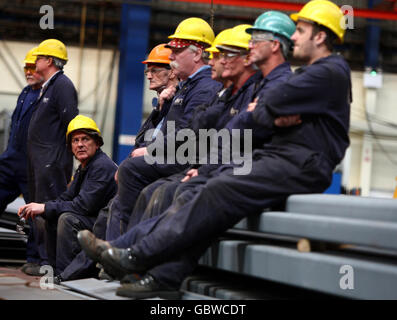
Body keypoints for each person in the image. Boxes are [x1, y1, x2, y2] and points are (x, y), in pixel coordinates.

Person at [80, 0, 351, 299]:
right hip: (279, 157)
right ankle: (152, 269)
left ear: (321, 36)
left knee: (213, 191)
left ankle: (136, 256)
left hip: (302, 163)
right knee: (199, 190)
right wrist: (265, 113)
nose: (295, 37)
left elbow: (260, 115)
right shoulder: (302, 77)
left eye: (300, 30)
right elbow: (247, 120)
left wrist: (264, 111)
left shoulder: (328, 71)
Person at [106, 17, 222, 237]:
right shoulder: (187, 87)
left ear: (197, 53)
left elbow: (189, 133)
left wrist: (151, 151)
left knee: (131, 171)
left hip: (183, 159)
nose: (171, 57)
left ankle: (126, 245)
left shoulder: (204, 87)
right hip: (174, 155)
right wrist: (162, 106)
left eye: (177, 51)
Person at [18, 115, 117, 280]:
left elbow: (83, 206)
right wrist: (41, 207)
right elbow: (66, 197)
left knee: (67, 218)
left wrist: (46, 207)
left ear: (97, 142)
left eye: (85, 139)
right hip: (94, 218)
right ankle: (54, 269)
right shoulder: (85, 167)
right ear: (70, 147)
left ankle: (67, 276)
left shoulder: (101, 166)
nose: (80, 145)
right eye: (75, 140)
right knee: (48, 215)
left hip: (107, 227)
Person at [24, 39, 79, 275]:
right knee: (39, 212)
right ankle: (45, 260)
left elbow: (72, 124)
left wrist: (67, 157)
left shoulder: (62, 86)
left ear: (48, 61)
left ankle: (51, 264)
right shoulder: (47, 86)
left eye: (38, 58)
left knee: (48, 212)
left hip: (52, 161)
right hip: (40, 161)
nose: (34, 62)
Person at [0, 47, 44, 274]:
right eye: (26, 67)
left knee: (34, 214)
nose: (28, 72)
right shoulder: (26, 92)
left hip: (32, 166)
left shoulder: (48, 97)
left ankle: (34, 260)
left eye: (32, 68)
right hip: (10, 160)